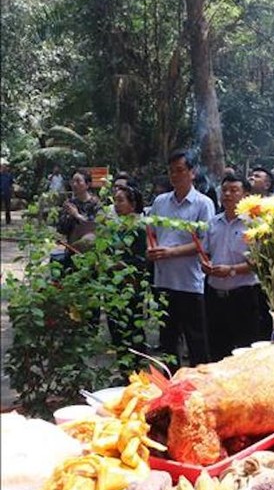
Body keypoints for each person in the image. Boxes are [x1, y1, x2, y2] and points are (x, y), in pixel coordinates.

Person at [148, 150, 216, 369]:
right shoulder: (160, 202)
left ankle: (200, 387)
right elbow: (151, 232)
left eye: (180, 170)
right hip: (163, 280)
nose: (175, 175)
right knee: (167, 340)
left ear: (192, 172)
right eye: (171, 171)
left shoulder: (203, 203)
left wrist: (171, 252)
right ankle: (171, 386)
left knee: (196, 340)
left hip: (190, 283)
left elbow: (205, 244)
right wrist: (152, 249)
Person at [202, 175, 263, 360]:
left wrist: (231, 270)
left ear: (245, 195)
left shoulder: (255, 225)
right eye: (225, 190)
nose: (228, 194)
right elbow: (204, 251)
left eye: (234, 190)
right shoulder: (213, 222)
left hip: (243, 296)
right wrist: (204, 263)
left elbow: (259, 262)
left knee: (246, 350)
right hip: (214, 295)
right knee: (216, 349)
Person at [106, 184, 149, 362]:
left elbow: (141, 259)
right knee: (115, 327)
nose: (116, 204)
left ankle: (138, 369)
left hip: (132, 285)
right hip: (112, 285)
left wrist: (119, 265)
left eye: (121, 200)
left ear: (133, 204)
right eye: (115, 200)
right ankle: (124, 369)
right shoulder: (115, 227)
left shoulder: (139, 228)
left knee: (133, 328)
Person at [56, 169, 100, 249]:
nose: (74, 184)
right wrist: (67, 217)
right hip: (71, 247)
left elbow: (95, 226)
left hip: (91, 249)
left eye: (78, 181)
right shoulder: (69, 203)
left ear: (88, 184)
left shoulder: (95, 203)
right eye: (73, 181)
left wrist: (76, 215)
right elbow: (61, 229)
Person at [0, 161, 13, 225]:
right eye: (3, 167)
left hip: (7, 193)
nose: (4, 169)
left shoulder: (9, 175)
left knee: (7, 207)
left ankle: (8, 221)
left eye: (5, 167)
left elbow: (11, 184)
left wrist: (11, 191)